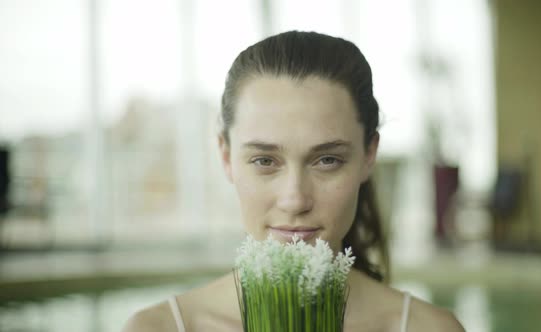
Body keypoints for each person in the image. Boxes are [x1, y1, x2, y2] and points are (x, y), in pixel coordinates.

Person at [123, 30, 465, 332]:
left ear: (368, 156)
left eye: (327, 160)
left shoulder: (430, 329)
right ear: (226, 157)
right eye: (264, 161)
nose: (295, 199)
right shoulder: (157, 329)